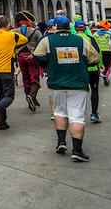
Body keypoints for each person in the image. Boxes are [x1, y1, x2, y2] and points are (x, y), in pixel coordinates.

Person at [33, 15, 99, 162]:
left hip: (56, 84)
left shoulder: (47, 40)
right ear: (70, 26)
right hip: (78, 84)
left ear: (55, 26)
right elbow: (95, 58)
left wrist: (48, 64)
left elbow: (37, 55)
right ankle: (77, 150)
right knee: (76, 116)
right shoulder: (81, 40)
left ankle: (61, 142)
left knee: (59, 113)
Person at [74, 20, 103, 123]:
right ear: (85, 28)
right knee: (94, 91)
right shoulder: (91, 38)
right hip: (92, 69)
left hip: (78, 70)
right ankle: (94, 114)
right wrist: (101, 65)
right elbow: (97, 52)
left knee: (80, 92)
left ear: (75, 28)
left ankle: (78, 114)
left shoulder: (74, 40)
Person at [15, 14, 44, 111]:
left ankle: (29, 97)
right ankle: (31, 96)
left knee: (26, 77)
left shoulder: (13, 32)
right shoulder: (36, 31)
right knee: (34, 78)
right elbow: (41, 43)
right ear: (29, 21)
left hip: (20, 57)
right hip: (32, 56)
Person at [95, 20, 111, 86]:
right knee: (107, 66)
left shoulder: (95, 34)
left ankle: (102, 74)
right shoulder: (110, 33)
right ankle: (105, 76)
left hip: (99, 52)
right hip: (108, 51)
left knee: (101, 65)